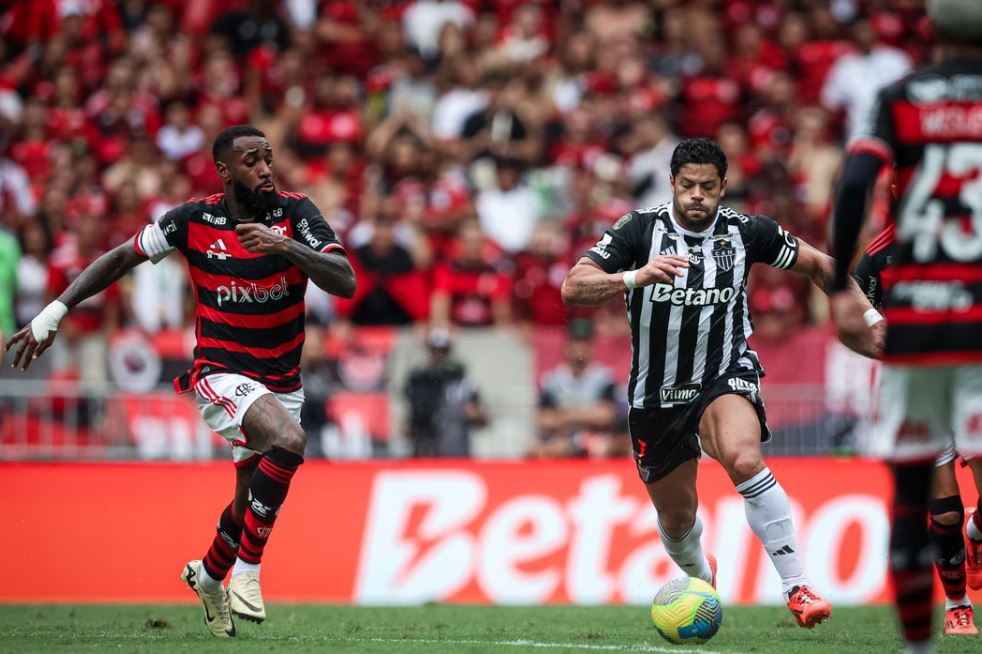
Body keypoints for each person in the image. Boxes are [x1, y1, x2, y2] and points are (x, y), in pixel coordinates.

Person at [4, 125, 355, 638]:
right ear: (224, 170)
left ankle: (209, 577)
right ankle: (248, 576)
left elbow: (344, 280)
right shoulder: (192, 220)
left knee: (246, 503)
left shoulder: (295, 212)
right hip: (221, 372)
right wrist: (55, 310)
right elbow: (122, 257)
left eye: (268, 158)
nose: (265, 169)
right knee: (291, 441)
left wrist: (285, 246)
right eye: (252, 162)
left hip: (282, 380)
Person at [561, 137, 880, 628]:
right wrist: (635, 277)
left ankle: (797, 586)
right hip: (656, 394)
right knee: (677, 521)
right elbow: (573, 286)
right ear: (672, 183)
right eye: (688, 185)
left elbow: (822, 265)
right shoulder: (638, 230)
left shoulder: (746, 231)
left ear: (723, 187)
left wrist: (872, 317)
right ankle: (701, 577)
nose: (697, 195)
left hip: (723, 373)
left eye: (708, 187)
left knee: (743, 458)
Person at [829, 2, 982, 651]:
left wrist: (837, 286)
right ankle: (959, 602)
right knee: (942, 508)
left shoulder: (900, 97)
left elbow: (853, 182)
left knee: (913, 499)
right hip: (973, 324)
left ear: (931, 32)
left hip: (920, 328)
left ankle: (918, 642)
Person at [849, 225, 981, 635]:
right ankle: (957, 605)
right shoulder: (878, 256)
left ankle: (976, 532)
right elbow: (853, 321)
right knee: (945, 513)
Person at [530, 318, 618, 458]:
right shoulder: (552, 380)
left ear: (591, 346)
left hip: (593, 439)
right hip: (560, 438)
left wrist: (569, 416)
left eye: (584, 342)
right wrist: (584, 416)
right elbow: (542, 418)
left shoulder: (603, 378)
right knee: (535, 450)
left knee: (608, 445)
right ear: (567, 345)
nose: (580, 347)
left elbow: (606, 415)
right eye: (576, 341)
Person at [404, 329, 485, 457]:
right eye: (435, 350)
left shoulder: (461, 380)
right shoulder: (418, 380)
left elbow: (479, 416)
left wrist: (474, 415)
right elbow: (410, 423)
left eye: (443, 351)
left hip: (455, 451)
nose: (439, 355)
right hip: (425, 450)